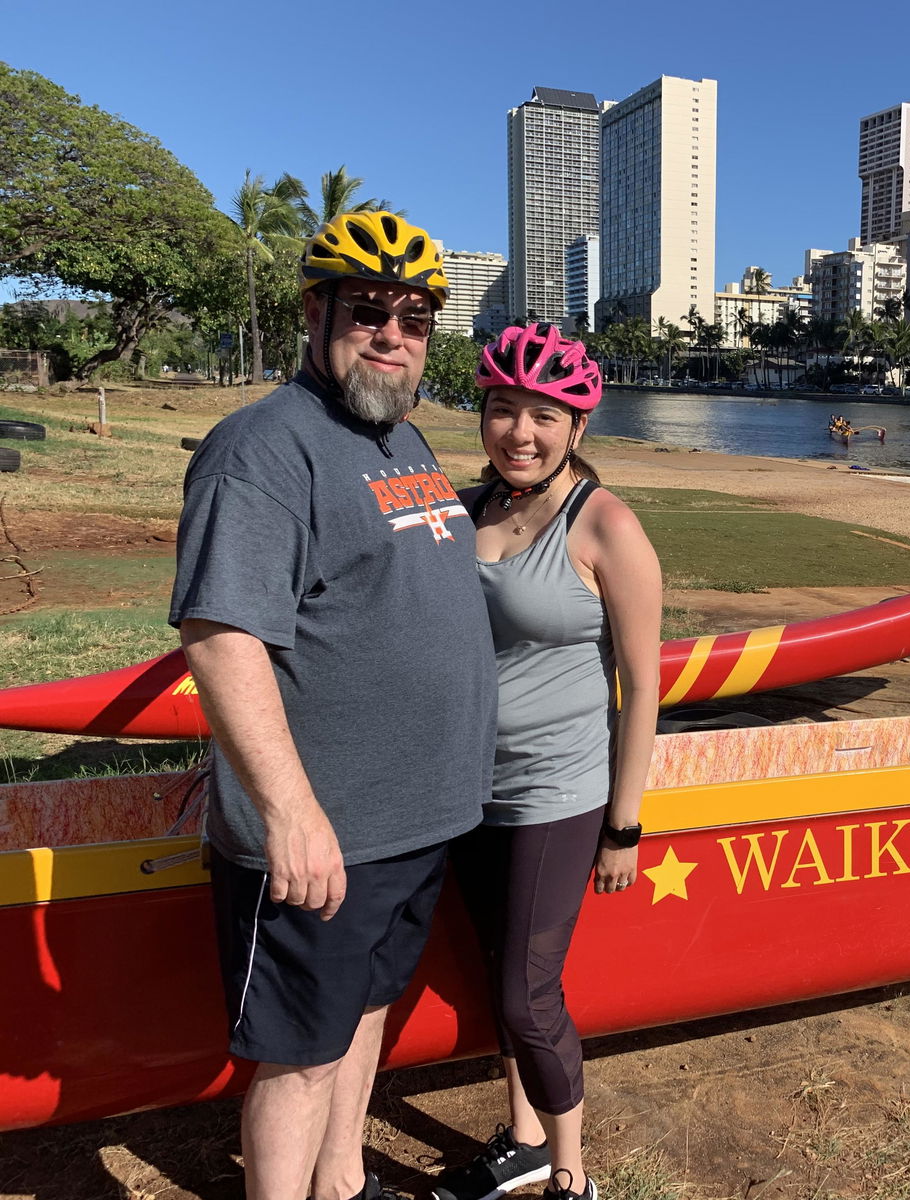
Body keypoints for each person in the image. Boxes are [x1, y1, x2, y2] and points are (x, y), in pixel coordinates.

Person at [170, 211, 496, 1200]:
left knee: (363, 1020)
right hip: (325, 833)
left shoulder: (401, 438)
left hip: (412, 822)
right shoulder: (264, 448)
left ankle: (343, 1187)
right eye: (368, 311)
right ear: (317, 314)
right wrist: (289, 811)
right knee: (301, 1059)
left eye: (413, 316)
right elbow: (222, 636)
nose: (393, 334)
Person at [429, 324, 662, 1200]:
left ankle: (571, 1173)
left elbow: (642, 686)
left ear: (577, 427)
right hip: (463, 787)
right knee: (498, 972)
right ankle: (523, 1138)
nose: (519, 432)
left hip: (556, 792)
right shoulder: (461, 510)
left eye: (542, 415)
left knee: (529, 994)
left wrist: (624, 824)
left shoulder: (606, 524)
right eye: (501, 409)